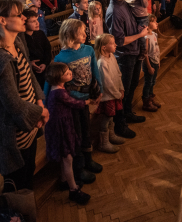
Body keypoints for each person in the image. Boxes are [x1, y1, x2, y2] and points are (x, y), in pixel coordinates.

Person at [0, 0, 54, 222]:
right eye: (18, 15)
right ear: (2, 21)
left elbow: (30, 78)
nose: (24, 18)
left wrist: (41, 103)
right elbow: (11, 103)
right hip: (12, 132)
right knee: (17, 184)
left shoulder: (16, 41)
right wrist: (40, 113)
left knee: (27, 176)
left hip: (29, 124)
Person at [47, 19, 103, 184]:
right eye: (81, 32)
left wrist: (99, 89)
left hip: (86, 98)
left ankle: (88, 159)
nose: (85, 34)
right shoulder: (61, 57)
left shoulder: (88, 50)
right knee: (75, 135)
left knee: (85, 130)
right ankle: (78, 168)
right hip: (70, 102)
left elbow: (95, 71)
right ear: (71, 34)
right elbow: (52, 81)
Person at [105, 0, 149, 139]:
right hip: (124, 56)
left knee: (131, 87)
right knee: (122, 91)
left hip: (134, 51)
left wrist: (141, 27)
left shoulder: (125, 4)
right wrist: (140, 35)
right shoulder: (114, 11)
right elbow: (119, 41)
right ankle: (120, 125)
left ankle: (128, 113)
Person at [43, 62, 91, 204]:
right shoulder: (58, 92)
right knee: (67, 158)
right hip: (60, 128)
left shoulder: (60, 88)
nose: (70, 72)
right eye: (66, 72)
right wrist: (88, 102)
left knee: (66, 156)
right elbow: (73, 103)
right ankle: (73, 190)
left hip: (63, 124)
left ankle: (64, 181)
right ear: (59, 78)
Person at [93, 34, 126, 154]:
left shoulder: (112, 56)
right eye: (112, 43)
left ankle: (111, 136)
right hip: (108, 96)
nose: (115, 45)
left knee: (111, 117)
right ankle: (104, 143)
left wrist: (121, 88)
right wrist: (117, 94)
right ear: (103, 47)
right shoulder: (101, 62)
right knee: (106, 118)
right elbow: (107, 83)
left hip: (115, 93)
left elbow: (118, 73)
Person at [23, 8, 52, 87]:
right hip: (31, 72)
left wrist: (45, 63)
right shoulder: (22, 38)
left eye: (37, 20)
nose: (37, 23)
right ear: (24, 23)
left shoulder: (40, 33)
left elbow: (47, 49)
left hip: (45, 67)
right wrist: (30, 63)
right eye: (33, 21)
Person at [142, 15, 162, 112]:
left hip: (155, 61)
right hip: (149, 63)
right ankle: (146, 102)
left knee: (153, 82)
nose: (156, 23)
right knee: (148, 82)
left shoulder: (154, 34)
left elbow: (157, 48)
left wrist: (158, 61)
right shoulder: (146, 37)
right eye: (154, 22)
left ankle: (151, 99)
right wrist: (149, 67)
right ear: (148, 23)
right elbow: (145, 54)